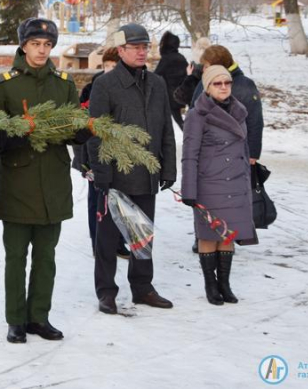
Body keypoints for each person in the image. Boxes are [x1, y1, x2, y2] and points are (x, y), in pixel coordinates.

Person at [0, 18, 90, 344]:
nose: (42, 50)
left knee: (46, 257)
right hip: (18, 183)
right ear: (23, 46)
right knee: (16, 258)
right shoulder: (5, 85)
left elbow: (74, 125)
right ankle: (16, 320)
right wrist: (18, 134)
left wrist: (82, 130)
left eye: (47, 45)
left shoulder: (64, 84)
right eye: (35, 44)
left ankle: (39, 317)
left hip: (54, 184)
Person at [87, 23, 177, 315]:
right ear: (121, 50)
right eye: (135, 47)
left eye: (145, 47)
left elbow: (166, 128)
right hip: (115, 175)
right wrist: (102, 175)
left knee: (143, 234)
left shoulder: (157, 83)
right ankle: (106, 291)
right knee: (108, 238)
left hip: (148, 172)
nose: (142, 52)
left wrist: (168, 167)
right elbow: (96, 131)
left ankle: (142, 288)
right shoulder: (105, 84)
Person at [181, 65, 258, 305]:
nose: (224, 87)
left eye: (227, 82)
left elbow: (243, 150)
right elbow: (189, 155)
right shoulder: (197, 114)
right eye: (218, 83)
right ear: (208, 86)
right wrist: (189, 190)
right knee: (209, 234)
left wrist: (248, 176)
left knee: (228, 234)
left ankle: (224, 283)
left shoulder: (239, 111)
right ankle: (210, 285)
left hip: (235, 182)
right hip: (209, 183)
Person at [178, 45, 265, 253]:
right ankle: (208, 242)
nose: (203, 69)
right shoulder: (208, 82)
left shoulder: (242, 86)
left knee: (231, 210)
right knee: (210, 207)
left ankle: (225, 245)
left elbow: (254, 120)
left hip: (233, 159)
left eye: (206, 65)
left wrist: (252, 153)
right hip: (213, 160)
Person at [71, 47, 129, 258]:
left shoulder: (127, 90)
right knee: (96, 201)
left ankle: (119, 243)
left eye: (115, 67)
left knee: (120, 200)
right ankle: (98, 243)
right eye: (108, 66)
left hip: (119, 155)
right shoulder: (91, 90)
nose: (111, 71)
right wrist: (82, 160)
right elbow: (80, 128)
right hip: (93, 157)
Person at [154, 31, 189, 129]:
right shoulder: (181, 58)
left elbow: (156, 75)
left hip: (169, 96)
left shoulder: (166, 59)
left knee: (166, 122)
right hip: (181, 94)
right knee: (179, 121)